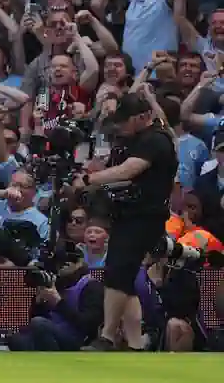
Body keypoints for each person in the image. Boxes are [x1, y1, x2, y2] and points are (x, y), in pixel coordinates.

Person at [73, 93, 177, 351]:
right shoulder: (140, 139)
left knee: (118, 273)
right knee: (124, 278)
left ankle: (107, 337)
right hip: (131, 214)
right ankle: (135, 343)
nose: (122, 126)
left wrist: (90, 179)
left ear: (143, 117)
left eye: (126, 120)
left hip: (144, 218)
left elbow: (129, 170)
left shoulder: (155, 140)